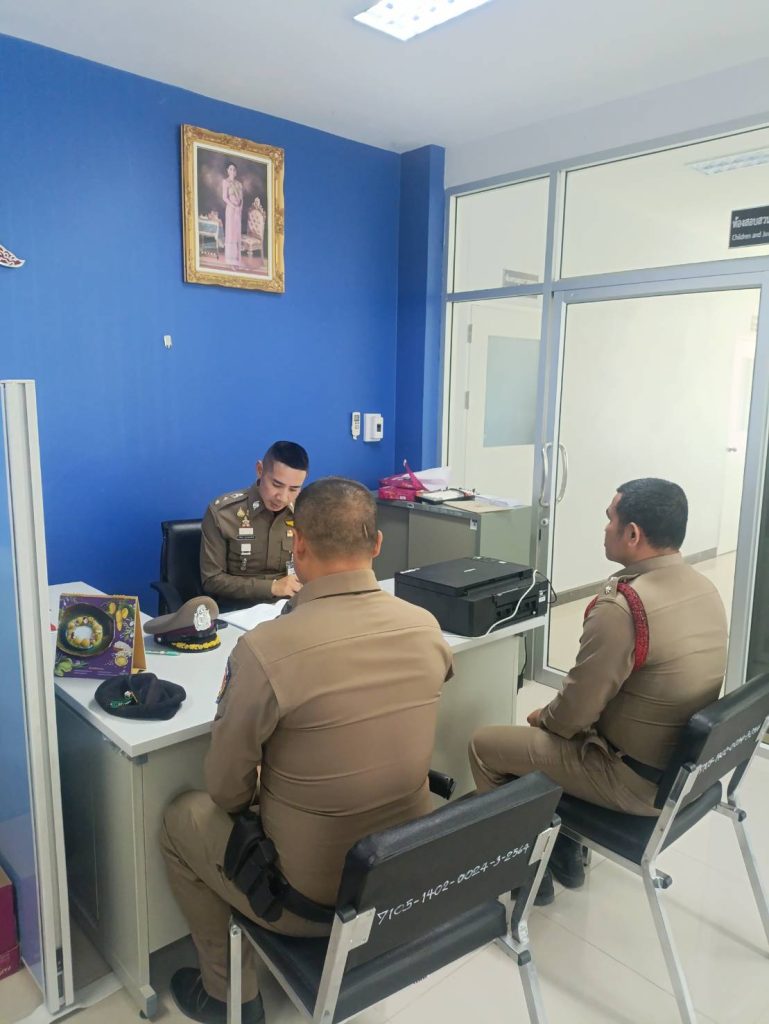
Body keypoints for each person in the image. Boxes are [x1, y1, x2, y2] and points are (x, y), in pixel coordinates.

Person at [162, 477, 453, 1024]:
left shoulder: (265, 650)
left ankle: (230, 996)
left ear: (297, 547)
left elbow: (225, 791)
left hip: (307, 901)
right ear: (378, 545)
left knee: (183, 816)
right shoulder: (425, 627)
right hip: (400, 871)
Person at [469, 478, 727, 902]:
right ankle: (564, 852)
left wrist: (544, 718)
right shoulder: (705, 588)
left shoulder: (624, 607)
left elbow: (571, 716)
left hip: (632, 780)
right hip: (681, 771)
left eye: (610, 518)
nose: (605, 527)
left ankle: (526, 879)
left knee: (486, 745)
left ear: (633, 534)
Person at [200, 441, 308, 609]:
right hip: (238, 610)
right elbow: (212, 580)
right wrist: (272, 587)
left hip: (291, 608)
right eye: (276, 485)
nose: (283, 497)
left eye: (293, 489)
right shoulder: (223, 513)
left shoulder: (305, 514)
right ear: (259, 470)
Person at [222, 162, 243, 266]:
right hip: (230, 209)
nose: (232, 171)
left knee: (237, 233)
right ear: (227, 171)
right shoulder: (225, 182)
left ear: (236, 172)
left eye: (234, 169)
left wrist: (240, 208)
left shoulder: (239, 184)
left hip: (238, 211)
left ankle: (237, 260)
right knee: (230, 233)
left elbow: (242, 199)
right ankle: (230, 260)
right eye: (230, 169)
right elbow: (224, 197)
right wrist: (234, 206)